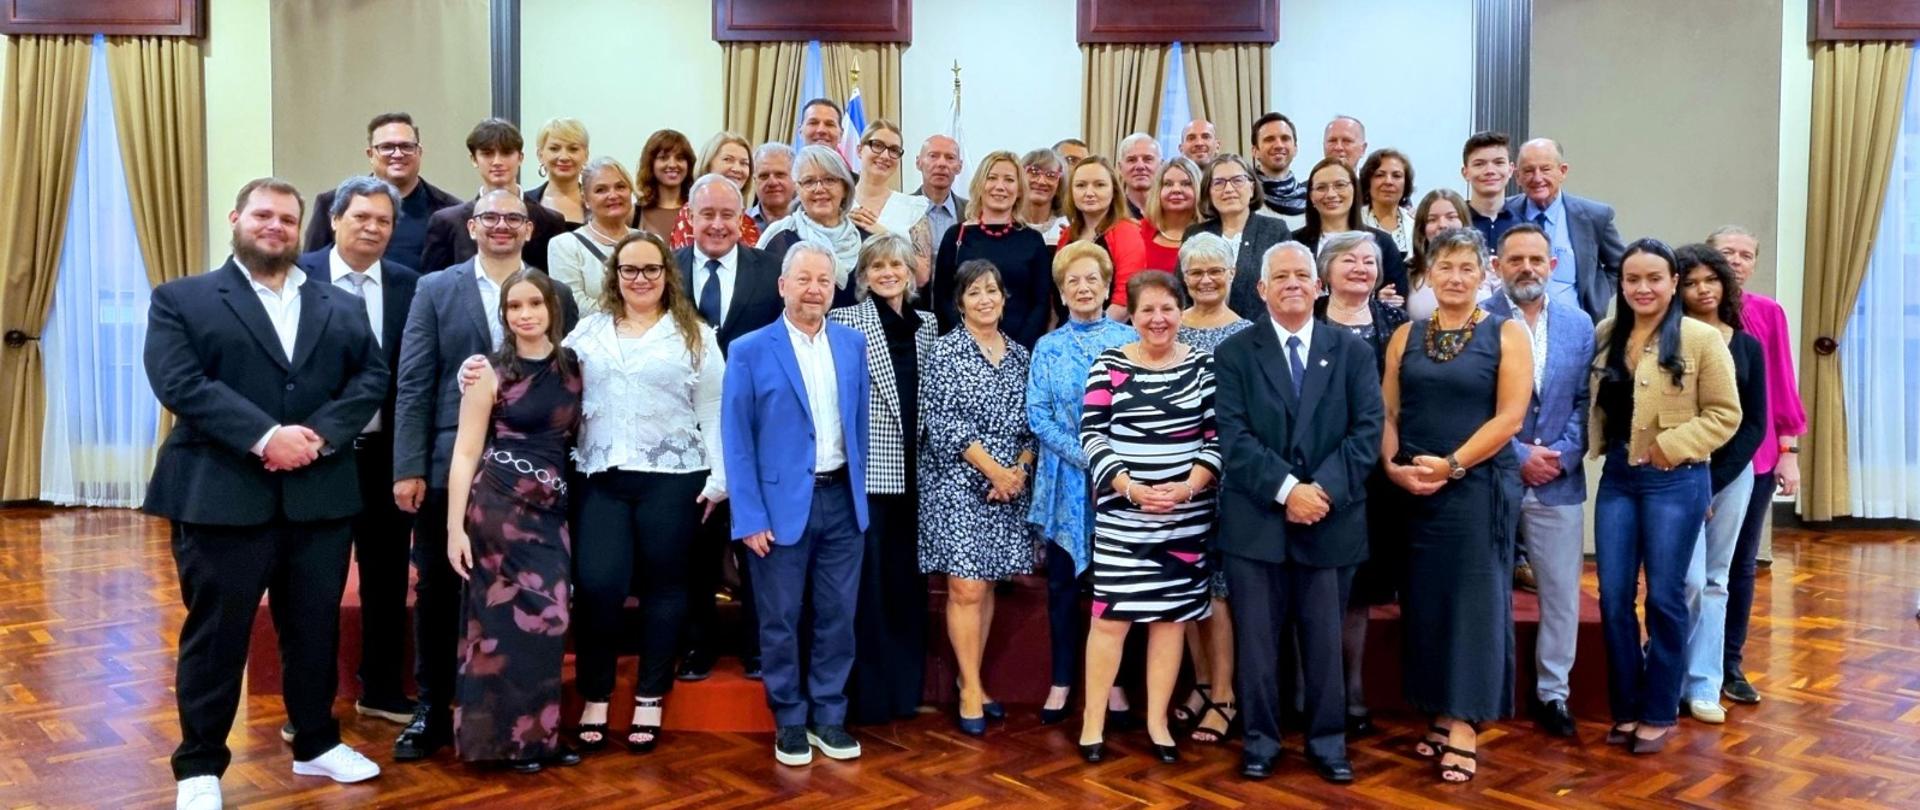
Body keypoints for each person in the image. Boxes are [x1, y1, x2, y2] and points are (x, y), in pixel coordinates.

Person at [148, 179, 388, 810]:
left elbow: (371, 377)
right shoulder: (183, 299)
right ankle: (199, 765)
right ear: (236, 218)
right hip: (221, 497)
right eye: (263, 214)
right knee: (217, 637)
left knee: (313, 631)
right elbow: (179, 382)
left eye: (287, 217)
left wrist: (317, 438)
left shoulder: (340, 304)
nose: (275, 225)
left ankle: (314, 743)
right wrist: (264, 437)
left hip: (320, 495)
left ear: (302, 227)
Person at [392, 189, 581, 763]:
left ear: (529, 229)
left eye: (513, 218)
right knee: (443, 594)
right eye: (490, 217)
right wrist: (408, 466)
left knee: (535, 615)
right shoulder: (436, 288)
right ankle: (434, 707)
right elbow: (415, 381)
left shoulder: (561, 297)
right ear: (472, 225)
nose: (502, 225)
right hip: (464, 471)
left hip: (546, 493)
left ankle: (532, 733)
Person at [532, 231, 723, 756]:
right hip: (600, 476)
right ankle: (596, 694)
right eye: (630, 270)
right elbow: (541, 380)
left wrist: (720, 478)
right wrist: (479, 373)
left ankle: (649, 697)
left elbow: (714, 410)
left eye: (651, 270)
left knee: (665, 588)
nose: (641, 279)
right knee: (598, 585)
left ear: (667, 274)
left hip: (674, 476)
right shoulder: (587, 333)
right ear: (615, 276)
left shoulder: (695, 335)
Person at [1214, 241, 1382, 785]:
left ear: (1319, 285)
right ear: (1261, 289)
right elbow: (1233, 439)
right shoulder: (1234, 353)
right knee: (1257, 645)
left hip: (1331, 518)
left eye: (1302, 275)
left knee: (1324, 640)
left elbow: (1366, 433)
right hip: (1257, 522)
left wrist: (1320, 492)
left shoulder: (1352, 351)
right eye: (1279, 276)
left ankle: (1328, 741)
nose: (1292, 283)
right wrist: (1289, 490)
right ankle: (1260, 741)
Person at [1381, 227, 1530, 783]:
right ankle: (1439, 710)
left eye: (1467, 268)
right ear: (1428, 274)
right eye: (1445, 267)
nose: (1455, 277)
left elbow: (1509, 418)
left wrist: (1453, 465)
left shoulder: (1506, 333)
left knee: (1473, 604)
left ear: (1485, 273)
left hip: (1475, 487)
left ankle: (1467, 722)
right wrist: (1394, 467)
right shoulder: (1406, 336)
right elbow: (1389, 413)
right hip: (1416, 490)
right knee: (1427, 603)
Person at [720, 242, 871, 767]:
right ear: (782, 285)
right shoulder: (749, 349)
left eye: (823, 281)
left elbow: (859, 427)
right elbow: (735, 439)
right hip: (779, 510)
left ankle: (829, 715)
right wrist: (749, 515)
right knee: (780, 618)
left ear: (834, 288)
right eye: (803, 279)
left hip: (842, 503)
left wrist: (859, 497)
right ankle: (788, 719)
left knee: (838, 616)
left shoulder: (853, 346)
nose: (813, 289)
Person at [1589, 238, 1740, 755]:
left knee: (1666, 597)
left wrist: (1670, 448)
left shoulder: (1700, 339)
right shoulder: (1608, 333)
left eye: (1655, 278)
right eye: (1633, 279)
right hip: (1618, 480)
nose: (1643, 288)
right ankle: (1626, 707)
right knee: (1611, 598)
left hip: (1676, 480)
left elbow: (1726, 414)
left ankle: (1659, 709)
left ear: (1673, 282)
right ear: (1622, 284)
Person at [290, 176, 421, 734]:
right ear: (337, 218)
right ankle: (309, 710)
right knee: (313, 585)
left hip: (385, 458)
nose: (372, 228)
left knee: (388, 582)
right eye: (361, 217)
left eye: (383, 221)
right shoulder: (296, 277)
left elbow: (414, 377)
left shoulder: (411, 285)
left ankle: (383, 690)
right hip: (315, 458)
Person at [1075, 270, 1220, 765]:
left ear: (1181, 312)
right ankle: (1093, 720)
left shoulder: (1204, 366)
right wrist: (1131, 488)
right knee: (1109, 622)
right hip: (1123, 516)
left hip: (1184, 518)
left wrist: (1187, 488)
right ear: (1132, 317)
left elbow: (1217, 440)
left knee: (1170, 622)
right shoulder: (1108, 365)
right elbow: (1092, 436)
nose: (1158, 319)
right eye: (1147, 310)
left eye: (1167, 308)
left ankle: (1158, 722)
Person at [444, 268, 584, 772]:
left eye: (534, 305)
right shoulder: (489, 373)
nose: (525, 315)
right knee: (500, 626)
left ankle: (539, 737)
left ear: (552, 308)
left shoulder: (573, 367)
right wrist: (453, 527)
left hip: (553, 510)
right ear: (503, 316)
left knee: (551, 620)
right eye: (514, 307)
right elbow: (464, 452)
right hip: (497, 510)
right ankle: (501, 743)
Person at [1479, 223, 1594, 739]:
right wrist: (1518, 452)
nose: (1527, 268)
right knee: (1485, 590)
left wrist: (1562, 456)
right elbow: (1474, 402)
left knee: (1561, 594)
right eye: (1515, 259)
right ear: (1498, 266)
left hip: (1558, 481)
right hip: (1492, 475)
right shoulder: (1479, 322)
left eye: (1536, 259)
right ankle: (1487, 690)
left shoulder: (1579, 323)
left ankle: (1553, 693)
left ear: (1552, 265)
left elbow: (1584, 403)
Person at [672, 173, 786, 681]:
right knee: (696, 542)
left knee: (757, 542)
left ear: (741, 217)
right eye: (707, 214)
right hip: (687, 431)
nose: (717, 224)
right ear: (690, 218)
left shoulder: (772, 271)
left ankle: (758, 647)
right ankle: (698, 646)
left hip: (758, 428)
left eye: (726, 214)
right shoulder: (667, 272)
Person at [920, 259, 1038, 736]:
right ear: (960, 302)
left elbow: (1034, 422)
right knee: (966, 587)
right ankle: (968, 687)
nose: (985, 299)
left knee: (986, 583)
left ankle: (977, 680)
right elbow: (943, 422)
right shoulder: (944, 352)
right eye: (974, 293)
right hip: (957, 483)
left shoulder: (1022, 355)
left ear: (1004, 297)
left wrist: (1019, 472)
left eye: (992, 290)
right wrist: (993, 470)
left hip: (1008, 485)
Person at [1026, 242, 1138, 726]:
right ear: (1062, 290)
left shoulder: (1128, 339)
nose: (1083, 287)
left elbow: (1137, 411)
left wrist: (1109, 465)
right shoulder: (1047, 346)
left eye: (1092, 278)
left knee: (1114, 588)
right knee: (1063, 589)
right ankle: (1061, 679)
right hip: (1064, 481)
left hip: (1119, 483)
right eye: (1073, 280)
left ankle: (1112, 684)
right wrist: (1088, 457)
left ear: (1106, 283)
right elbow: (1038, 416)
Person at [827, 233, 937, 724]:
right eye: (878, 266)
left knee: (905, 588)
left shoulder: (930, 325)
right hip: (870, 476)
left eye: (897, 264)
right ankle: (867, 696)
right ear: (864, 275)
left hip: (922, 477)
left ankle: (904, 691)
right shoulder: (844, 321)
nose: (889, 272)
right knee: (866, 588)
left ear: (912, 271)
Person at [1309, 231, 1411, 736]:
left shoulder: (1397, 323)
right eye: (1348, 259)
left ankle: (1350, 691)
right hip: (1315, 474)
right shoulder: (1308, 319)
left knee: (1359, 592)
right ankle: (1310, 690)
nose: (1360, 268)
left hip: (1376, 477)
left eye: (1369, 261)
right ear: (1325, 272)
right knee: (1315, 585)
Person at [1707, 225, 1805, 706]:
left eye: (1747, 254)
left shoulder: (1767, 313)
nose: (1738, 261)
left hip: (1758, 454)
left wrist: (1789, 451)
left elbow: (1782, 381)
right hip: (1692, 456)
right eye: (1728, 252)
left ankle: (1729, 663)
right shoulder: (1688, 312)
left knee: (1740, 564)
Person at [1675, 244, 1767, 725]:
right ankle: (1670, 675)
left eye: (1710, 280)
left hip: (1730, 475)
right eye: (1690, 282)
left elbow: (1754, 423)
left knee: (1715, 581)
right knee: (1683, 581)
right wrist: (1694, 481)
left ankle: (1705, 683)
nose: (1701, 289)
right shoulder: (1670, 342)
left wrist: (1712, 483)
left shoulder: (1748, 345)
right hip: (1678, 473)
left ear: (1724, 286)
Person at [1168, 235, 1250, 744]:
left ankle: (1224, 694)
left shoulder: (1247, 334)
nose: (1204, 281)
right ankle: (1199, 682)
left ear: (1232, 273)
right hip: (1175, 479)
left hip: (1225, 478)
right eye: (1195, 272)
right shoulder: (1170, 327)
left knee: (1218, 590)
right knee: (1187, 584)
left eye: (1214, 272)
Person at [930, 150, 1055, 348]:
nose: (1000, 187)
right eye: (992, 178)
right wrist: (970, 344)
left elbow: (1040, 304)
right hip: (964, 351)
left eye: (1009, 180)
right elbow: (942, 299)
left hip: (1019, 351)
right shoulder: (956, 236)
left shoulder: (1032, 240)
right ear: (980, 185)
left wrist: (1015, 349)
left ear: (1020, 189)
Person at [305, 112, 462, 270]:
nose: (398, 154)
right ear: (370, 154)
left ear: (419, 152)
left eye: (406, 147)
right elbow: (313, 268)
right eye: (387, 147)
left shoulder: (449, 211)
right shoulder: (332, 203)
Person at [419, 118, 569, 274]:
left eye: (506, 153)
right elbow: (433, 288)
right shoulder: (447, 222)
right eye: (487, 153)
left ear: (520, 158)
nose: (497, 161)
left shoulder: (550, 221)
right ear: (474, 159)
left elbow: (555, 287)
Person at [1503, 138, 1626, 322]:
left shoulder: (1594, 217)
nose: (1537, 178)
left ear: (1563, 171)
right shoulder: (1503, 213)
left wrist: (1597, 296)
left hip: (1573, 330)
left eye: (1545, 169)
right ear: (1518, 176)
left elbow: (1621, 266)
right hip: (1513, 329)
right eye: (1528, 171)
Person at [760, 144, 870, 309]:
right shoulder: (779, 239)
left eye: (829, 180)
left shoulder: (867, 243)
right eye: (809, 181)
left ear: (845, 188)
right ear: (798, 189)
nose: (819, 189)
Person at [1183, 153, 1291, 319]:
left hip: (1260, 333)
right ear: (1208, 191)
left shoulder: (1275, 231)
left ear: (1252, 187)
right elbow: (1182, 291)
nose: (1228, 189)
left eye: (1237, 180)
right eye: (1218, 183)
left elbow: (1285, 289)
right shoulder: (1195, 234)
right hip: (1202, 330)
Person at [1293, 156, 1409, 302]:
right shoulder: (1295, 243)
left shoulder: (1381, 242)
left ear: (1354, 189)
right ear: (1310, 196)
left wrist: (1375, 303)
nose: (1331, 194)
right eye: (1321, 187)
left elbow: (1397, 303)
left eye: (1340, 185)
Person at [546, 157, 640, 317]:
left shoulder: (651, 242)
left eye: (620, 187)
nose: (613, 195)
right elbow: (572, 305)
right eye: (601, 190)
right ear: (586, 199)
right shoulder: (564, 245)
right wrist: (633, 314)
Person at [1059, 156, 1147, 319]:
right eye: (1081, 185)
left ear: (1113, 190)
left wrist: (1091, 337)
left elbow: (1125, 300)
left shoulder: (1127, 232)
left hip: (1110, 334)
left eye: (1099, 185)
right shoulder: (1067, 235)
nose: (1089, 192)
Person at [849, 120, 934, 283]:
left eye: (894, 150)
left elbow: (922, 276)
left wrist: (884, 235)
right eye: (877, 145)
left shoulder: (912, 208)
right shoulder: (839, 203)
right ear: (859, 150)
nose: (885, 155)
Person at [1406, 189, 1501, 321]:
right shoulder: (1410, 270)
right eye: (1432, 219)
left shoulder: (1491, 266)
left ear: (1464, 221)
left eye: (1451, 217)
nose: (1442, 225)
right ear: (1422, 228)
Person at [670, 131, 763, 250]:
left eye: (744, 163)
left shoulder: (749, 223)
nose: (737, 169)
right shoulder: (693, 214)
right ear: (708, 164)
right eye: (728, 159)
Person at [1139, 156, 1202, 277]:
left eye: (1186, 184)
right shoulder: (1138, 231)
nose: (1176, 190)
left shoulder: (1211, 233)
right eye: (1168, 184)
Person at [633, 128, 696, 239]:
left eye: (680, 158)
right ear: (651, 164)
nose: (672, 164)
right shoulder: (635, 214)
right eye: (663, 158)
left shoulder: (698, 209)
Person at [524, 117, 588, 225]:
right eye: (554, 149)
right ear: (540, 155)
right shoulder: (524, 203)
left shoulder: (599, 203)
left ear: (586, 155)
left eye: (573, 149)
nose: (564, 157)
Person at [1461, 131, 1518, 246]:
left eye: (1498, 162)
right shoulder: (1455, 224)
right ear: (1465, 173)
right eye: (1479, 164)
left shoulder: (1525, 226)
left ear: (1511, 170)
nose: (1490, 171)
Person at [1358, 148, 1416, 257]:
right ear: (1368, 181)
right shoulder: (1353, 222)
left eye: (1396, 176)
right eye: (1380, 175)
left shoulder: (1415, 225)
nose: (1388, 182)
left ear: (1406, 183)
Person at [1250, 112, 1306, 225]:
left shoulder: (1312, 200)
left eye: (1285, 138)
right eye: (1269, 139)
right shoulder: (1246, 198)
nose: (1279, 145)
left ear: (1295, 148)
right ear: (1255, 151)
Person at [912, 134, 968, 243]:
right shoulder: (902, 208)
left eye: (950, 158)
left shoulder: (972, 212)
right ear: (918, 162)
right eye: (933, 156)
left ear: (959, 167)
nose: (941, 163)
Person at [1018, 147, 1069, 245]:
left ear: (1060, 185)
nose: (1041, 181)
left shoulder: (1067, 227)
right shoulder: (1004, 225)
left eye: (1051, 175)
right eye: (1034, 172)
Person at [749, 142, 798, 231]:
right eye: (764, 176)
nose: (772, 182)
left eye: (780, 175)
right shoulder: (739, 224)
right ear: (754, 181)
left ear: (795, 179)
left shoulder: (811, 225)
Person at [1118, 133, 1162, 219]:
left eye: (1148, 159)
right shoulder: (1111, 214)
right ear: (1120, 168)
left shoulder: (1172, 212)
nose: (1140, 166)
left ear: (1161, 165)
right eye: (1131, 160)